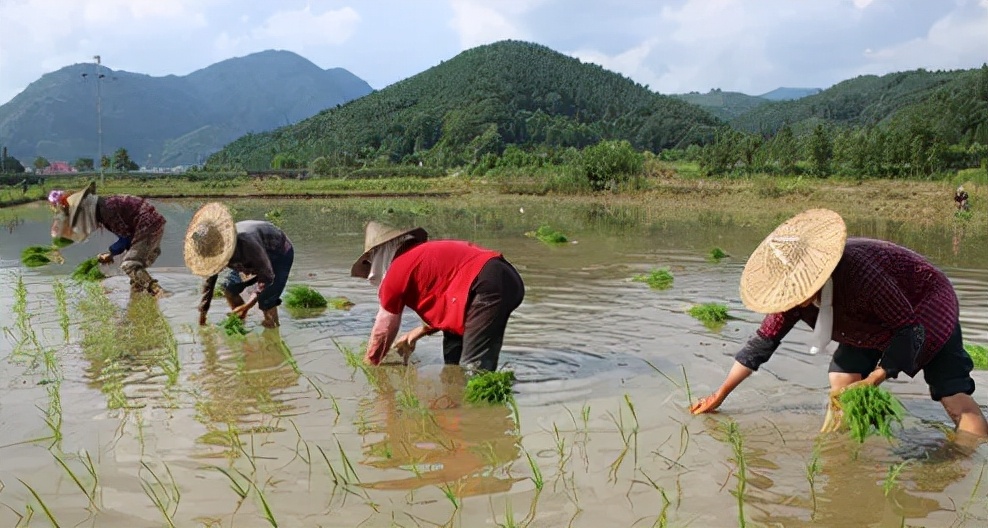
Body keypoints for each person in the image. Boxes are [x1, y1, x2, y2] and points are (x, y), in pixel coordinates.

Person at [689, 208, 988, 439]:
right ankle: (852, 451)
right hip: (869, 321)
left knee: (952, 394)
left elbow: (910, 329)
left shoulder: (862, 275)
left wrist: (874, 380)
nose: (795, 297)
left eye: (800, 289)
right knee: (842, 379)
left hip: (925, 306)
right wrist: (720, 394)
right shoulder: (791, 296)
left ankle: (966, 465)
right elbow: (763, 343)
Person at [351, 221, 525, 371]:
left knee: (473, 367)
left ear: (380, 253)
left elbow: (384, 328)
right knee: (453, 354)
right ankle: (454, 398)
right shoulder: (422, 257)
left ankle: (479, 406)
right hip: (502, 278)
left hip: (486, 284)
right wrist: (418, 332)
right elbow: (446, 301)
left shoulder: (397, 270)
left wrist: (370, 363)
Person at [184, 202, 294, 328]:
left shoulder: (246, 241)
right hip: (248, 261)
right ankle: (239, 320)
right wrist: (203, 314)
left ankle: (273, 328)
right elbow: (210, 281)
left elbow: (267, 276)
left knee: (266, 299)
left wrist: (247, 306)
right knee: (230, 288)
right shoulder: (213, 250)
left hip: (278, 254)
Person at [49, 182, 165, 295]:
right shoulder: (103, 208)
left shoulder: (107, 209)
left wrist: (111, 253)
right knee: (134, 272)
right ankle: (137, 296)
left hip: (148, 224)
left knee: (129, 264)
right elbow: (126, 237)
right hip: (149, 223)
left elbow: (126, 238)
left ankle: (158, 291)